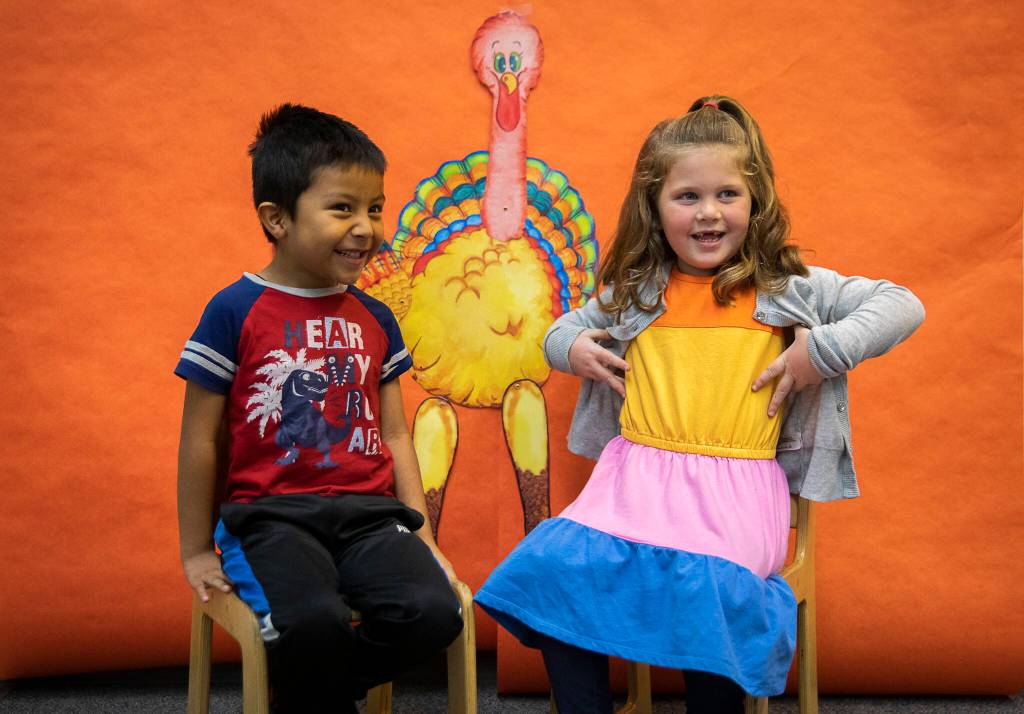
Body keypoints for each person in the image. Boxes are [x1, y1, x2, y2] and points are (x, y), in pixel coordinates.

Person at [475, 95, 924, 713]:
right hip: (632, 484)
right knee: (553, 573)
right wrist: (573, 347)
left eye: (727, 195)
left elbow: (903, 304)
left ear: (755, 200)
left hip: (733, 491)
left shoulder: (786, 288)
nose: (708, 213)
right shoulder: (636, 292)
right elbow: (557, 333)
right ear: (655, 209)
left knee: (712, 596)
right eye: (687, 197)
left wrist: (818, 353)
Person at [174, 104, 462, 714]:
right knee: (311, 621)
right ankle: (319, 685)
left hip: (370, 518)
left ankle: (315, 691)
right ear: (276, 219)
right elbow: (200, 440)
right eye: (343, 208)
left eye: (375, 207)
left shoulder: (376, 317)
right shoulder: (234, 310)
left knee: (436, 614)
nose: (366, 226)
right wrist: (196, 549)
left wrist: (425, 534)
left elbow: (396, 435)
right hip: (271, 519)